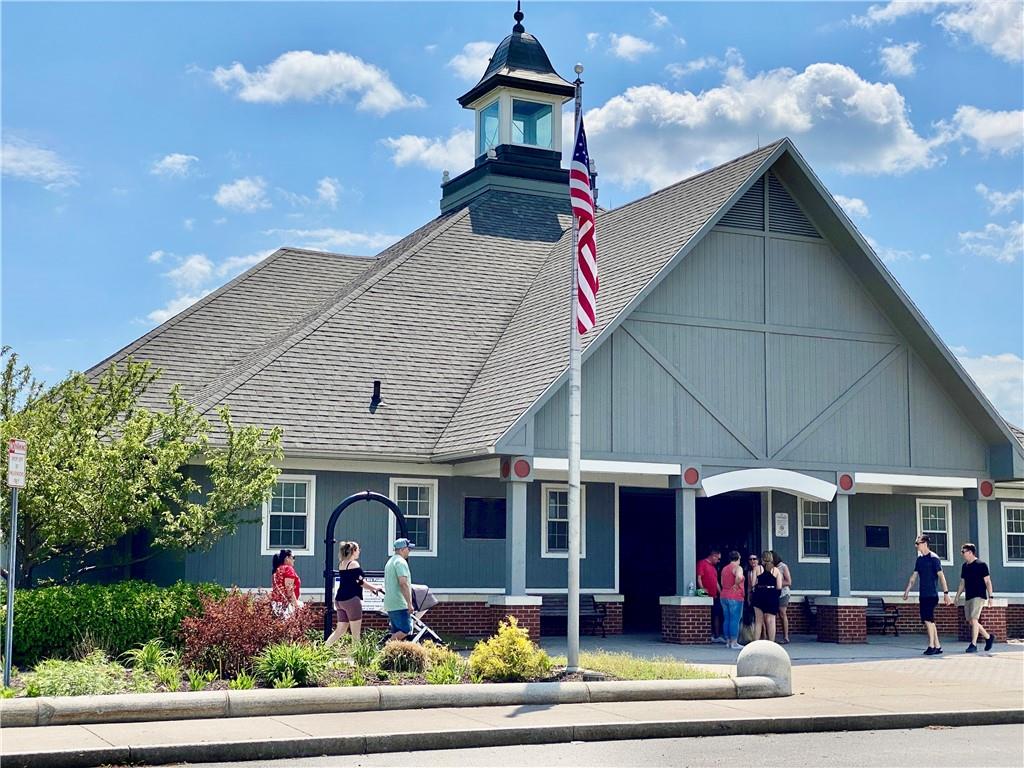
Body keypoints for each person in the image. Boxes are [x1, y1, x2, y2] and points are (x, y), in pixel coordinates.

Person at [903, 534, 952, 655]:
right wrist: (907, 590)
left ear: (924, 544)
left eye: (917, 543)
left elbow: (941, 577)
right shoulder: (920, 560)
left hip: (931, 594)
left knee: (928, 620)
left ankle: (931, 646)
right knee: (929, 620)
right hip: (923, 594)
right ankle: (938, 646)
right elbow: (914, 576)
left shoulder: (934, 558)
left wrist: (946, 593)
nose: (916, 546)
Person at [326, 541, 382, 646]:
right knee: (356, 634)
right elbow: (360, 582)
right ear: (354, 551)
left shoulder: (342, 564)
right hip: (351, 600)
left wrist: (370, 589)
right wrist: (375, 588)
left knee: (340, 630)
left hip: (339, 600)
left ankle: (323, 649)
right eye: (358, 549)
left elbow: (353, 581)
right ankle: (356, 654)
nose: (359, 551)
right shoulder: (353, 564)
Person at [953, 542, 995, 653]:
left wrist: (991, 596)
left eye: (964, 551)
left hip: (979, 595)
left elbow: (988, 581)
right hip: (969, 596)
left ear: (970, 552)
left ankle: (973, 644)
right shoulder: (965, 566)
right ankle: (988, 637)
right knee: (971, 621)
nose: (962, 554)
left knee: (974, 619)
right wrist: (957, 596)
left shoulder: (981, 565)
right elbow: (962, 583)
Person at [383, 537, 416, 641]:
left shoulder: (390, 562)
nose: (409, 551)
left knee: (397, 630)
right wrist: (409, 603)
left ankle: (393, 649)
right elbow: (403, 583)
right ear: (402, 549)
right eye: (408, 549)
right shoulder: (400, 562)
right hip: (399, 603)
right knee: (406, 629)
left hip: (390, 603)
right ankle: (386, 646)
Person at [751, 550, 782, 642]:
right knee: (771, 621)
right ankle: (771, 642)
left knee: (758, 621)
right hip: (771, 595)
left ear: (762, 559)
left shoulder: (757, 568)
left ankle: (756, 642)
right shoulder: (776, 570)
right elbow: (779, 586)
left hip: (759, 594)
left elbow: (753, 583)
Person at [696, 548, 724, 643]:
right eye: (718, 558)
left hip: (714, 595)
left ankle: (717, 635)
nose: (718, 561)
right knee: (707, 614)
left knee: (716, 614)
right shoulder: (702, 563)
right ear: (713, 556)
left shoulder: (713, 568)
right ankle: (707, 635)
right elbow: (699, 578)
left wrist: (721, 593)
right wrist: (702, 590)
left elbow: (716, 582)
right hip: (705, 595)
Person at [720, 551, 745, 650]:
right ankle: (734, 642)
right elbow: (739, 577)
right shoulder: (738, 568)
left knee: (727, 619)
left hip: (724, 594)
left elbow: (722, 582)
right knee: (735, 619)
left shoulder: (724, 568)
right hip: (735, 595)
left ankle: (728, 641)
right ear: (738, 558)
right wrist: (736, 584)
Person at [270, 549, 301, 618]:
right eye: (293, 557)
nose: (294, 560)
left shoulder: (278, 569)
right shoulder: (288, 569)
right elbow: (289, 589)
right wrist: (296, 606)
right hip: (286, 605)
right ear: (287, 558)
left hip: (276, 603)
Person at [771, 550, 793, 644]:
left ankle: (786, 636)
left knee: (782, 613)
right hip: (772, 594)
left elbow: (788, 582)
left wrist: (777, 583)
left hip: (783, 593)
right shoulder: (769, 567)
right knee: (772, 615)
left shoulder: (783, 566)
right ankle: (772, 636)